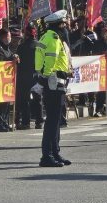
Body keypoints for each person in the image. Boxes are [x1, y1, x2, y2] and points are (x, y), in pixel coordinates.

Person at [35, 10, 73, 167]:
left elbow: (39, 62)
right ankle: (47, 156)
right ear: (60, 24)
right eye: (64, 24)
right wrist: (43, 79)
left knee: (55, 120)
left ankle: (55, 152)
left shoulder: (46, 37)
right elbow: (50, 62)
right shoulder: (55, 39)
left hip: (55, 82)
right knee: (52, 120)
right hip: (54, 82)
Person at [0, 28, 20, 132]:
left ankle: (4, 121)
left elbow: (9, 56)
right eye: (8, 37)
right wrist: (11, 59)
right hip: (0, 79)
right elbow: (0, 63)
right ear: (3, 37)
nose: (10, 39)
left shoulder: (6, 48)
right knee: (2, 102)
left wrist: (14, 57)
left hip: (7, 80)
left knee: (6, 102)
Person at [15, 24, 38, 129]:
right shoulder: (39, 45)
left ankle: (26, 122)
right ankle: (39, 121)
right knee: (38, 98)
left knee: (25, 99)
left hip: (24, 76)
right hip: (36, 75)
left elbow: (17, 62)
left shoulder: (21, 46)